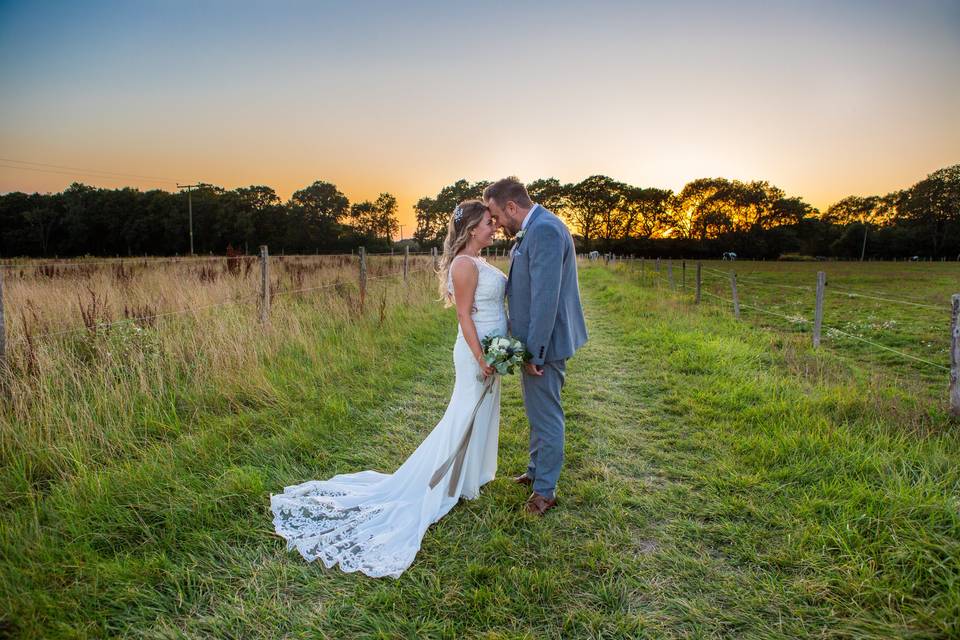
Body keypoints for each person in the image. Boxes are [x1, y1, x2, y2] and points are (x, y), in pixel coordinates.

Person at [270, 199, 506, 578]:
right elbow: (464, 315)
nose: (493, 227)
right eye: (487, 223)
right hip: (477, 354)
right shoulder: (464, 264)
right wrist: (481, 357)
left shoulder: (476, 260)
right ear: (470, 229)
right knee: (462, 415)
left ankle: (464, 479)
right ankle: (438, 483)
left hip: (491, 351)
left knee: (476, 414)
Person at [483, 177, 588, 516]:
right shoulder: (539, 226)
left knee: (547, 415)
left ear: (512, 207)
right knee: (536, 411)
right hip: (536, 340)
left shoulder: (543, 230)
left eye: (497, 215)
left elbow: (546, 298)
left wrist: (534, 353)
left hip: (546, 344)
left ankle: (545, 491)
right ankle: (534, 471)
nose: (496, 223)